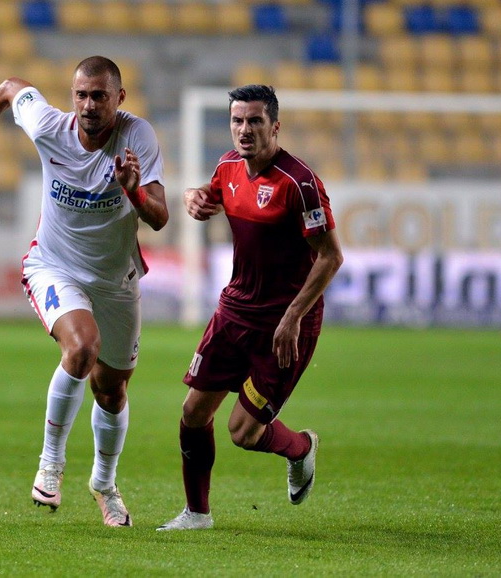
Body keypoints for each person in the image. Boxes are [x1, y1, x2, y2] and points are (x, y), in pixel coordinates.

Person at [0, 56, 168, 527]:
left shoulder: (138, 137)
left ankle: (103, 483)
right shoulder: (51, 125)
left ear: (120, 98)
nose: (89, 105)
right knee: (82, 348)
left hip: (116, 281)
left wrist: (134, 191)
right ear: (72, 96)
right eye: (81, 94)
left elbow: (159, 217)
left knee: (111, 391)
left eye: (99, 95)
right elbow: (12, 85)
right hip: (53, 266)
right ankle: (50, 463)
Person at [157, 85, 343, 531]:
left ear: (275, 126)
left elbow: (330, 256)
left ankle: (300, 447)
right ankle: (197, 514)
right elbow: (210, 192)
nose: (245, 130)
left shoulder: (300, 184)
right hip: (234, 312)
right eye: (238, 121)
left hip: (284, 325)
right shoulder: (228, 165)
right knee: (193, 413)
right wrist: (191, 196)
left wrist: (292, 317)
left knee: (243, 432)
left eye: (255, 121)